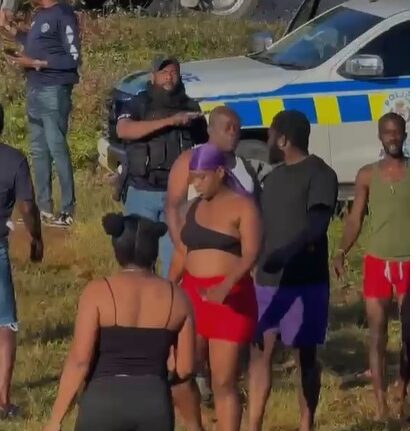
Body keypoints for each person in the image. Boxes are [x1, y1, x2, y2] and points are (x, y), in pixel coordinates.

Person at [43, 213, 195, 431]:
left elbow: (79, 361)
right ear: (154, 252)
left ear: (117, 250)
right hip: (153, 402)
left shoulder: (97, 292)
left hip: (103, 400)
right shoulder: (178, 298)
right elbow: (186, 368)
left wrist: (55, 419)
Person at [249, 110, 338, 431]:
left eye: (271, 135)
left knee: (305, 357)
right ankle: (253, 425)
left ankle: (305, 423)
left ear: (284, 140)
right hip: (266, 281)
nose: (267, 140)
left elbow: (317, 225)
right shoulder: (272, 179)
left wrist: (286, 254)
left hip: (306, 281)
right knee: (260, 354)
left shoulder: (321, 174)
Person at [170, 143, 261, 431]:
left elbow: (251, 253)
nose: (195, 184)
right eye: (193, 178)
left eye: (201, 177)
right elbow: (182, 252)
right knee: (180, 371)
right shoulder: (193, 207)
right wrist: (168, 288)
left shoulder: (243, 206)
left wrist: (226, 285)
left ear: (220, 172)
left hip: (230, 298)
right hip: (192, 296)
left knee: (223, 381)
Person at [333, 112, 409, 420]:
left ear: (405, 135)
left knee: (409, 334)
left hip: (409, 263)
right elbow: (355, 218)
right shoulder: (367, 175)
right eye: (387, 132)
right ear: (380, 136)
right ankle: (380, 404)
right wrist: (340, 250)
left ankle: (403, 387)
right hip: (378, 263)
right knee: (377, 333)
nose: (393, 137)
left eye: (397, 132)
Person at [116, 56, 208, 278]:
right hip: (141, 191)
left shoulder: (189, 106)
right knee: (138, 259)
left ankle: (168, 296)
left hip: (176, 196)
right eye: (164, 72)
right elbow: (124, 130)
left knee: (174, 261)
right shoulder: (138, 103)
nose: (169, 77)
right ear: (153, 76)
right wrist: (170, 121)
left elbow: (203, 145)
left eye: (173, 72)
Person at [1, 0, 81, 227]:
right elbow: (30, 41)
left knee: (57, 147)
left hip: (53, 90)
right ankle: (44, 208)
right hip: (35, 88)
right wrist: (8, 28)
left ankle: (67, 210)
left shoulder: (63, 14)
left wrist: (35, 62)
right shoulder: (39, 14)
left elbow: (73, 57)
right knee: (38, 150)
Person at [0, 102, 43, 419]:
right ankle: (2, 399)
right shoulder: (13, 160)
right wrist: (36, 238)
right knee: (4, 323)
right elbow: (27, 207)